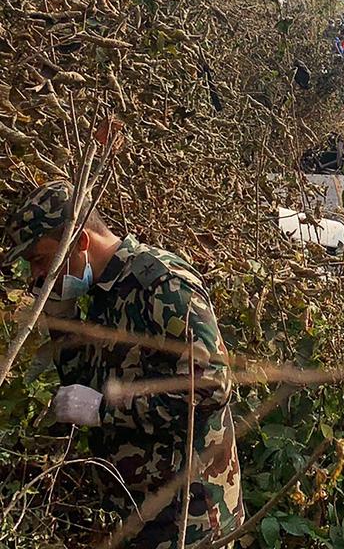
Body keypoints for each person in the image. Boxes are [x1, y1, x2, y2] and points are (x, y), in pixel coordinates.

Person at [1, 181, 245, 547]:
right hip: (135, 509)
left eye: (40, 259)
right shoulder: (102, 292)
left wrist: (107, 407)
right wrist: (62, 323)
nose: (35, 274)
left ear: (80, 242)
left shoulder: (163, 285)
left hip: (189, 518)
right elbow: (84, 384)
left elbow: (212, 387)